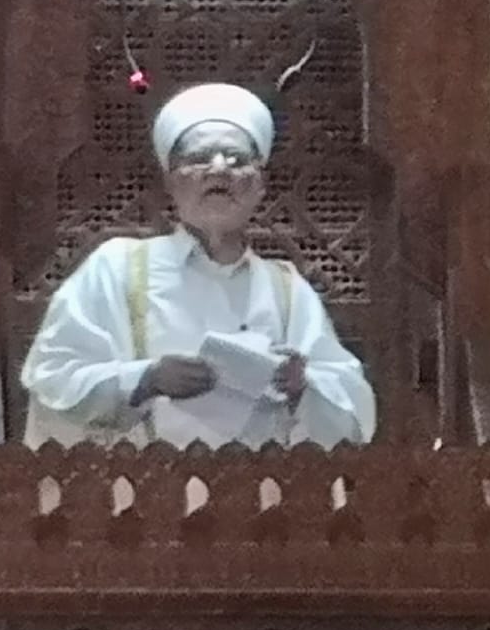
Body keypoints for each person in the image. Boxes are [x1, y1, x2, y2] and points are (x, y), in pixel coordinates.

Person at [20, 82, 375, 449]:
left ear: (260, 185)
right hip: (141, 481)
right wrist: (147, 379)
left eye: (236, 159)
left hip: (261, 483)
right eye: (200, 157)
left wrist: (302, 385)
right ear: (170, 182)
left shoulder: (286, 289)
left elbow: (351, 409)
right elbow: (52, 381)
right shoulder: (116, 268)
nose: (219, 170)